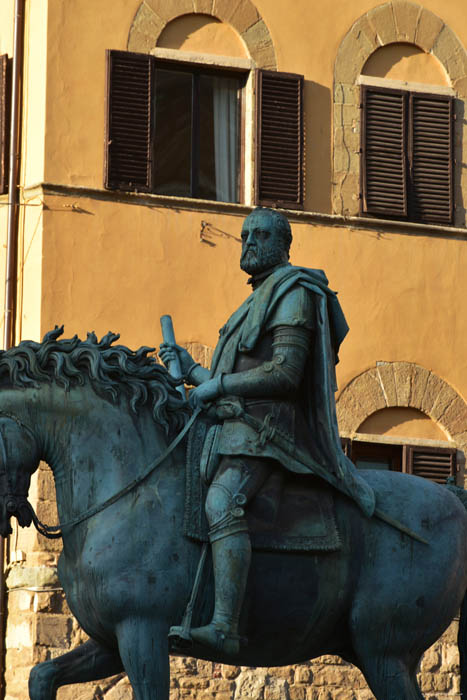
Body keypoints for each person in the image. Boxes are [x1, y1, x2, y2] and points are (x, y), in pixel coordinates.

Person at [159, 207, 375, 655]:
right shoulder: (252, 303)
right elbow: (231, 374)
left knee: (221, 501)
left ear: (283, 244)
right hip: (235, 425)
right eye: (244, 235)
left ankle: (224, 626)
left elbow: (285, 374)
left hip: (269, 434)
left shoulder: (293, 292)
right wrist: (192, 367)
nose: (249, 241)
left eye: (260, 234)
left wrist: (215, 385)